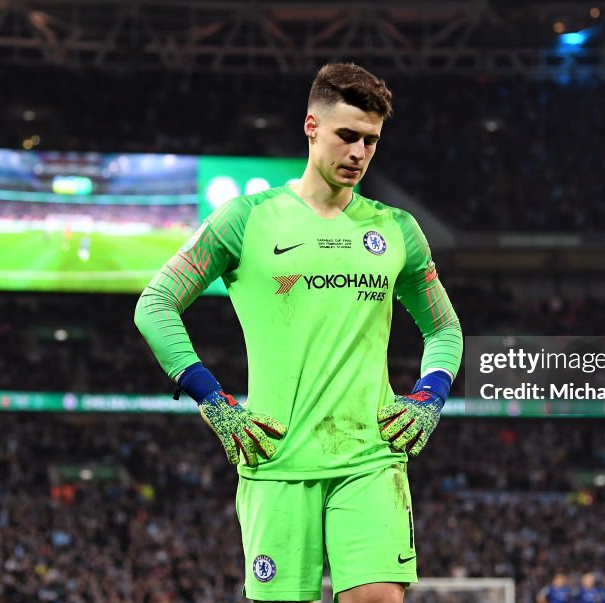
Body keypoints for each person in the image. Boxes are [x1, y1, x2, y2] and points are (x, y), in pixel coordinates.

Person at [135, 62, 462, 603]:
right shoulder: (246, 220)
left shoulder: (397, 230)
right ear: (311, 126)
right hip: (276, 461)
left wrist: (429, 396)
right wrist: (212, 400)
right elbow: (156, 303)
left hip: (370, 456)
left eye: (372, 141)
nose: (359, 153)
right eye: (347, 136)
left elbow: (444, 328)